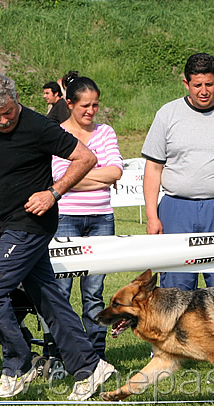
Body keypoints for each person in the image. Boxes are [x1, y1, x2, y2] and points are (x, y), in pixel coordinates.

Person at [0, 73, 114, 400]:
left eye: (8, 113)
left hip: (31, 224)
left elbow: (86, 158)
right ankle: (90, 366)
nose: (2, 121)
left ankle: (18, 363)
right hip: (9, 223)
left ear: (16, 101)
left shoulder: (38, 126)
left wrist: (53, 193)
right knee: (48, 298)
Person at [142, 52, 214, 291]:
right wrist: (152, 216)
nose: (203, 91)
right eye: (197, 85)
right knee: (175, 291)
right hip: (176, 210)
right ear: (186, 84)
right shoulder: (167, 114)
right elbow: (153, 168)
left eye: (209, 84)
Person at [52, 76, 123, 361]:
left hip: (102, 219)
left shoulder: (106, 132)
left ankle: (96, 353)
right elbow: (57, 178)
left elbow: (115, 172)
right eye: (84, 105)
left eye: (95, 105)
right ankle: (61, 351)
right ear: (69, 104)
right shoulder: (56, 134)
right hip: (66, 218)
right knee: (61, 290)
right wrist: (98, 176)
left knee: (94, 292)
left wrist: (75, 175)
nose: (90, 111)